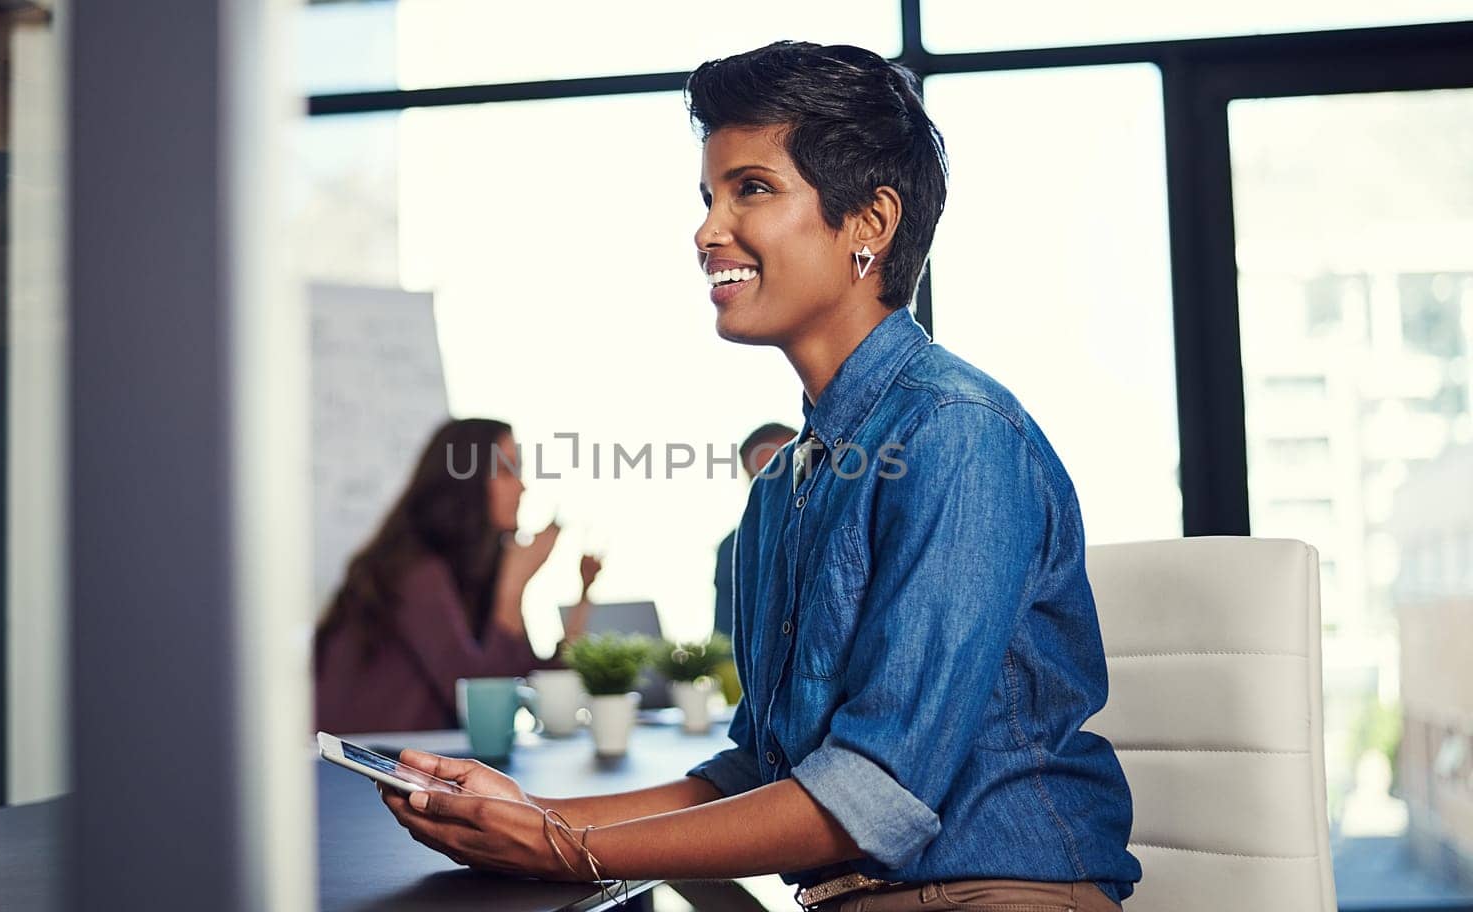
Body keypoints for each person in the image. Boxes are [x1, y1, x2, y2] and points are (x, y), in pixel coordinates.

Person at [375, 41, 1143, 911]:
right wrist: (529, 816)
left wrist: (562, 847)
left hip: (993, 895)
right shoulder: (786, 488)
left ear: (870, 225)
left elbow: (867, 798)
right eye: (709, 196)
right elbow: (756, 769)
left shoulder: (957, 436)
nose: (707, 231)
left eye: (753, 189)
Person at [313, 417, 599, 734]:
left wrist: (584, 593)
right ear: (466, 483)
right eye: (507, 472)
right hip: (369, 770)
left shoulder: (475, 573)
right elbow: (481, 704)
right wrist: (512, 590)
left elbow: (528, 677)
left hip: (423, 762)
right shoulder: (415, 572)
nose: (523, 486)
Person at [714, 422, 797, 639]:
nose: (774, 489)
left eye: (784, 474)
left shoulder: (843, 528)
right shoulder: (734, 548)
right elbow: (724, 636)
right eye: (761, 480)